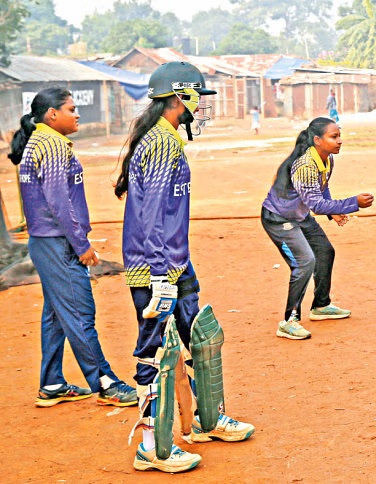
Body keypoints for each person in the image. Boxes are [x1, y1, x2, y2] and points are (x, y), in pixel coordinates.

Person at [114, 61, 254, 473]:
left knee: (200, 338)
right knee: (155, 352)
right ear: (180, 97)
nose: (201, 107)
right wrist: (160, 275)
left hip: (175, 260)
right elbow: (152, 216)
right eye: (198, 98)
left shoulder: (167, 139)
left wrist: (173, 264)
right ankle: (151, 447)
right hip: (155, 265)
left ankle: (204, 422)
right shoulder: (160, 143)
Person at [8, 88, 137, 408]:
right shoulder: (51, 145)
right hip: (58, 244)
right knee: (80, 314)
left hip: (46, 243)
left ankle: (51, 383)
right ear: (52, 114)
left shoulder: (40, 142)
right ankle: (106, 383)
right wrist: (82, 245)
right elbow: (58, 202)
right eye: (71, 108)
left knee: (57, 315)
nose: (77, 114)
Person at [261, 117, 374, 340]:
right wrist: (353, 203)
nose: (339, 141)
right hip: (279, 219)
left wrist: (333, 210)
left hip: (299, 216)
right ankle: (289, 321)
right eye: (334, 137)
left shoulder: (327, 158)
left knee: (324, 251)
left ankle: (321, 306)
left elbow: (322, 189)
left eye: (339, 135)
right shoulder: (304, 165)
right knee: (304, 262)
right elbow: (316, 204)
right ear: (317, 140)